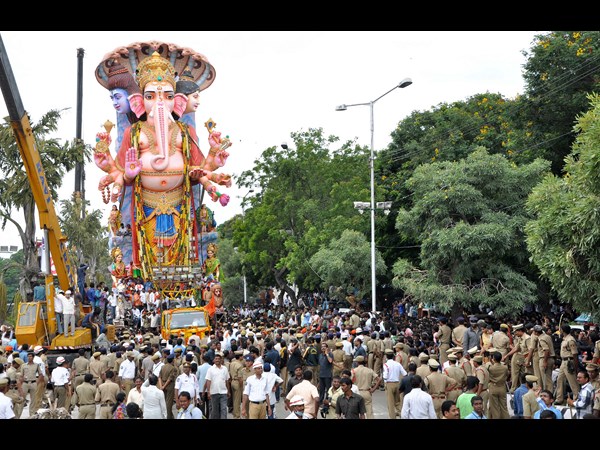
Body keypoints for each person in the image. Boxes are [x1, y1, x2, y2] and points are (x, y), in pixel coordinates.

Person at [94, 50, 231, 279]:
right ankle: (148, 282)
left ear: (178, 102)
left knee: (178, 249)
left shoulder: (185, 131)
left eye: (167, 96)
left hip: (179, 203)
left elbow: (200, 168)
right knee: (152, 250)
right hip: (147, 204)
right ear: (139, 103)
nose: (160, 102)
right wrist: (126, 174)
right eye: (151, 96)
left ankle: (180, 281)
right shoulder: (133, 132)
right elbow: (119, 172)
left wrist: (213, 159)